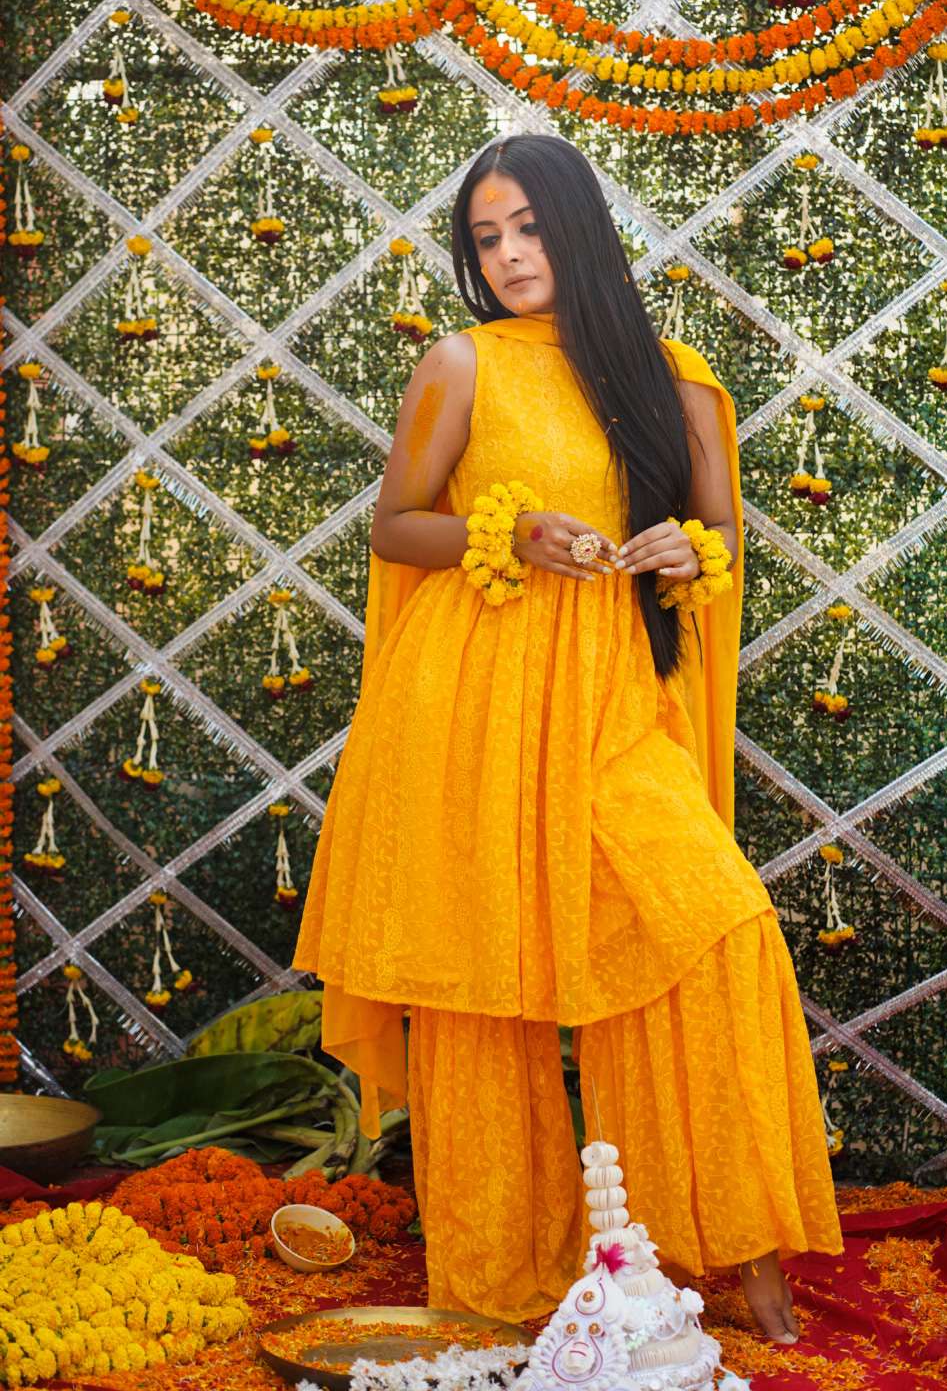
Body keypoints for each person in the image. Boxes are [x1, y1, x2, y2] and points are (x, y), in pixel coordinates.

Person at [293, 133, 843, 1343]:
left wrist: (683, 547)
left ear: (580, 225)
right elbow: (395, 525)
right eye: (486, 237)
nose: (506, 255)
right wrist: (510, 531)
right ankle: (500, 1276)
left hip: (611, 703)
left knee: (717, 929)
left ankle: (731, 1240)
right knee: (486, 989)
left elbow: (719, 536)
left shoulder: (673, 378)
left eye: (529, 227)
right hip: (472, 705)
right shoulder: (461, 364)